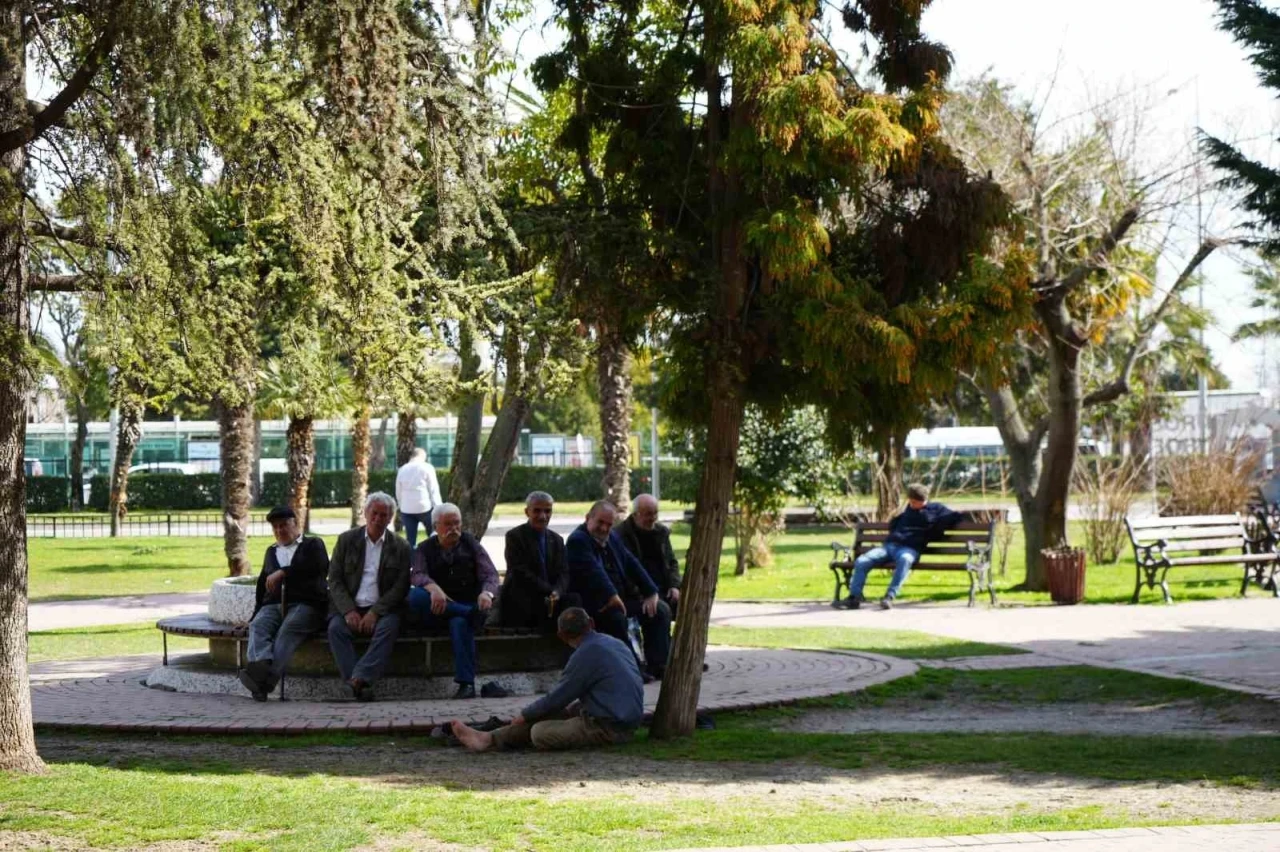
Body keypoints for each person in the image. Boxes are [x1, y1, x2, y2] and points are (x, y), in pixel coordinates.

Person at [449, 607, 643, 752]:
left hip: (609, 728)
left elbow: (557, 698)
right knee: (558, 714)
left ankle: (489, 739)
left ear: (561, 635)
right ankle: (488, 738)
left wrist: (524, 715)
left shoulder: (586, 653)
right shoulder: (614, 642)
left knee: (539, 732)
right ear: (591, 623)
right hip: (623, 721)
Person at [566, 500, 671, 679]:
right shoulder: (578, 540)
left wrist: (651, 592)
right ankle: (634, 669)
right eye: (600, 522)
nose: (604, 528)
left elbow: (631, 563)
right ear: (588, 518)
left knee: (659, 610)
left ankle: (658, 665)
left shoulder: (612, 537)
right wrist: (612, 596)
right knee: (616, 618)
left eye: (609, 524)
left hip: (619, 598)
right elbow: (594, 572)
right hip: (595, 603)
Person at [407, 503, 499, 699]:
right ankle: (465, 612)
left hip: (465, 605)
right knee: (414, 596)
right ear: (435, 527)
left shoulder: (471, 544)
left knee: (460, 623)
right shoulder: (424, 548)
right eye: (447, 525)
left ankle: (467, 685)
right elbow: (417, 574)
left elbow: (490, 574)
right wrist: (433, 588)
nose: (453, 529)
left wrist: (487, 594)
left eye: (457, 524)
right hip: (435, 609)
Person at [239, 506, 330, 701]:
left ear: (296, 524)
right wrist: (254, 615)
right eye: (276, 527)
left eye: (284, 525)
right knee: (258, 626)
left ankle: (264, 682)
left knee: (287, 630)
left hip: (307, 604)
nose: (280, 531)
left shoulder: (313, 543)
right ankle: (260, 672)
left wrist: (284, 572)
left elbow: (319, 567)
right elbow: (262, 587)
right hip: (273, 605)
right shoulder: (271, 552)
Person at [327, 492, 411, 700]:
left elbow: (401, 587)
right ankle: (360, 685)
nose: (378, 519)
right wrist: (348, 610)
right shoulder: (346, 540)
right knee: (336, 629)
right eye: (374, 513)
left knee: (389, 627)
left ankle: (354, 682)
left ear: (390, 518)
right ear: (365, 513)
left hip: (383, 610)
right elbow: (334, 579)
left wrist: (375, 612)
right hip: (350, 606)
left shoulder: (401, 547)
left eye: (384, 515)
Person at [840, 482, 963, 610]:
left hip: (910, 549)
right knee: (862, 560)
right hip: (889, 546)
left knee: (905, 559)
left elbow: (954, 517)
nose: (916, 504)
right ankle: (854, 598)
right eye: (913, 501)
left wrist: (935, 530)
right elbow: (894, 525)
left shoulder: (936, 509)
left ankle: (889, 597)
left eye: (919, 501)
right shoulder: (906, 513)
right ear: (910, 500)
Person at [498, 491, 581, 631]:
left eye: (547, 511)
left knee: (574, 600)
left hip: (552, 597)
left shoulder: (557, 540)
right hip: (526, 595)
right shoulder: (515, 536)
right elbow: (520, 572)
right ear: (527, 512)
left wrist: (558, 592)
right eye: (537, 511)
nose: (543, 516)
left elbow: (564, 571)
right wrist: (550, 591)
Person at [615, 493, 682, 618]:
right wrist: (646, 594)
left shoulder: (661, 533)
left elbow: (672, 562)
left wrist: (674, 585)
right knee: (661, 610)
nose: (653, 518)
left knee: (689, 603)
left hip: (663, 588)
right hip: (637, 592)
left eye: (655, 513)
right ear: (635, 515)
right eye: (648, 514)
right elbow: (625, 573)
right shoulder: (620, 535)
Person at [395, 447, 443, 549]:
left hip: (407, 509)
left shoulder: (402, 469)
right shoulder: (427, 467)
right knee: (434, 536)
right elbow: (433, 489)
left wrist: (401, 505)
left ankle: (412, 562)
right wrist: (438, 507)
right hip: (425, 508)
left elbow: (398, 491)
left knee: (410, 540)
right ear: (423, 456)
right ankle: (434, 559)